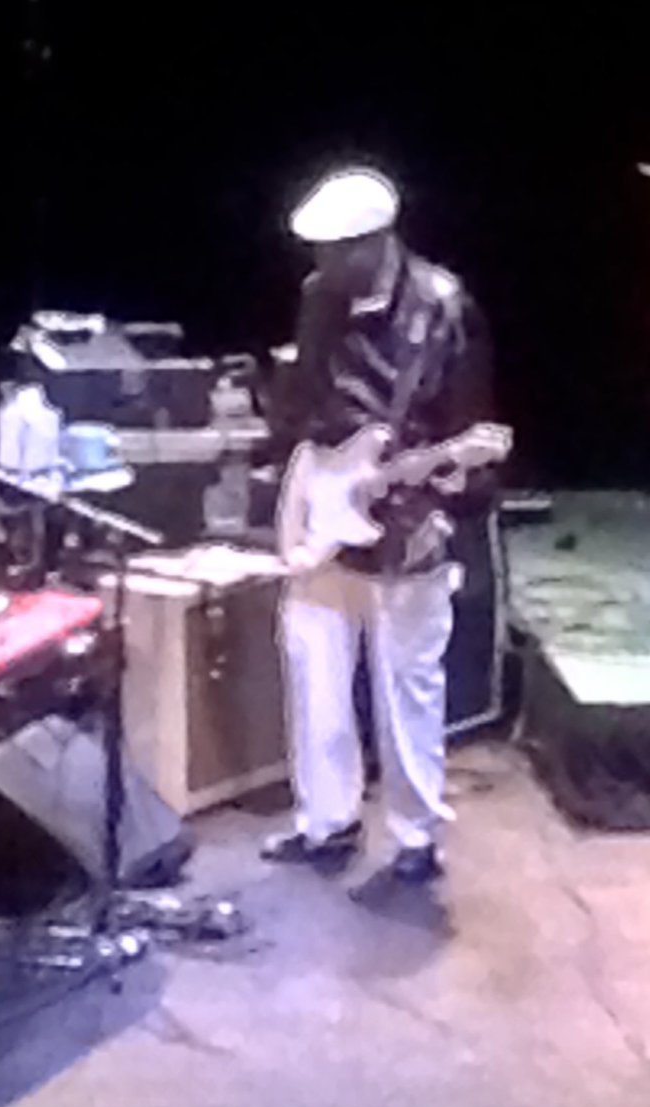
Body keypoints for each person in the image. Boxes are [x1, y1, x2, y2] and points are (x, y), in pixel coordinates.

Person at [263, 166, 504, 883]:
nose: (322, 266)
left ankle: (414, 836)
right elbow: (301, 404)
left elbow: (474, 436)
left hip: (408, 526)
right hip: (325, 523)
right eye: (318, 252)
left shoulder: (445, 308)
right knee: (315, 678)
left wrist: (445, 508)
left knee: (408, 693)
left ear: (377, 242)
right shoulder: (318, 299)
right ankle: (326, 821)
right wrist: (306, 480)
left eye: (337, 251)